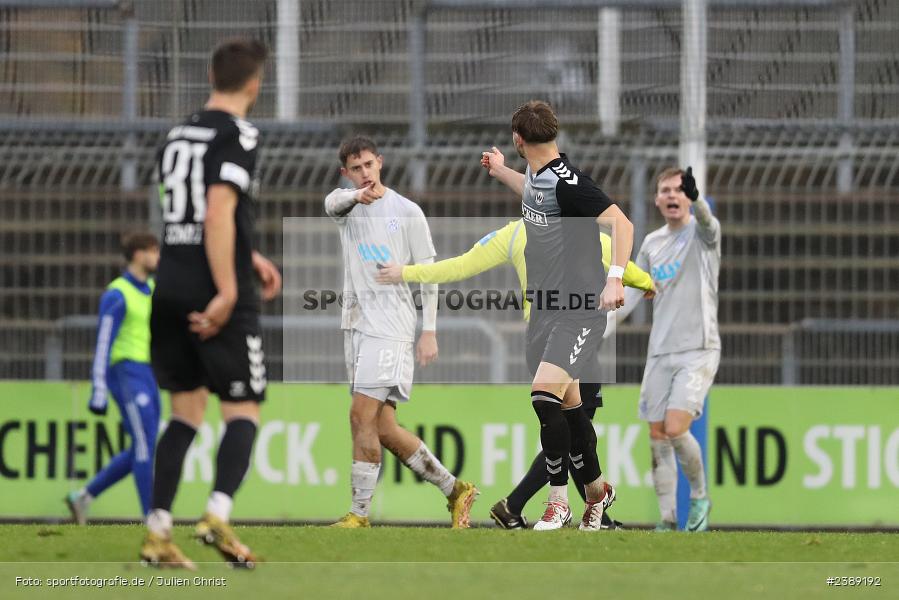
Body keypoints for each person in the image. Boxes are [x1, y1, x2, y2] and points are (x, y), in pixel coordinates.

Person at [376, 217, 654, 528]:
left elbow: (459, 266)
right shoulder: (582, 232)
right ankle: (557, 503)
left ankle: (562, 506)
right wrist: (647, 283)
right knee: (574, 428)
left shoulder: (514, 233)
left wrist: (406, 272)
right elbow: (623, 266)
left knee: (567, 426)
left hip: (539, 342)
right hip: (576, 335)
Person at [140, 38, 282, 569]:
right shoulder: (239, 132)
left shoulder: (178, 132)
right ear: (254, 83)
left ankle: (157, 531)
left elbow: (191, 216)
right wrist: (228, 288)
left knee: (185, 414)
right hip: (212, 288)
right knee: (243, 408)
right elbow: (218, 212)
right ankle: (217, 516)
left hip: (171, 282)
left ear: (209, 74)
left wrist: (251, 255)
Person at [479, 100, 634, 531]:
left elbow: (622, 223)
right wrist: (500, 170)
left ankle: (558, 502)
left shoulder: (569, 183)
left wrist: (616, 278)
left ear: (518, 139)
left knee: (543, 397)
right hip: (546, 309)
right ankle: (598, 493)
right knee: (571, 412)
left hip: (579, 310)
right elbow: (531, 192)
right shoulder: (537, 172)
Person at [325, 135, 478, 529]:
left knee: (360, 415)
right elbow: (331, 204)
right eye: (355, 169)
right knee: (383, 427)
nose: (364, 174)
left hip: (390, 327)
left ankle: (358, 515)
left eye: (369, 166)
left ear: (380, 162)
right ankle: (455, 489)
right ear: (346, 172)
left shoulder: (407, 211)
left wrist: (429, 331)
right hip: (356, 325)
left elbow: (429, 272)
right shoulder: (347, 205)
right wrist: (355, 197)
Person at [603, 167, 720, 532]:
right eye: (666, 190)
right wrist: (600, 330)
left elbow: (708, 221)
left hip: (697, 348)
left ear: (687, 197)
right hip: (661, 351)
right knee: (657, 434)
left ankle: (700, 496)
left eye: (679, 191)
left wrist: (698, 198)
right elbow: (636, 292)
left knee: (675, 427)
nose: (672, 195)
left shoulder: (703, 234)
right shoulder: (653, 243)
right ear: (656, 199)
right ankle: (668, 519)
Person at [66, 232, 161, 525]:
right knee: (144, 445)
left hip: (147, 372)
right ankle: (152, 518)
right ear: (138, 254)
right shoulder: (117, 294)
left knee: (142, 447)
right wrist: (99, 387)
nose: (157, 258)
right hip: (124, 373)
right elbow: (104, 342)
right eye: (152, 251)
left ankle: (83, 496)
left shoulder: (152, 289)